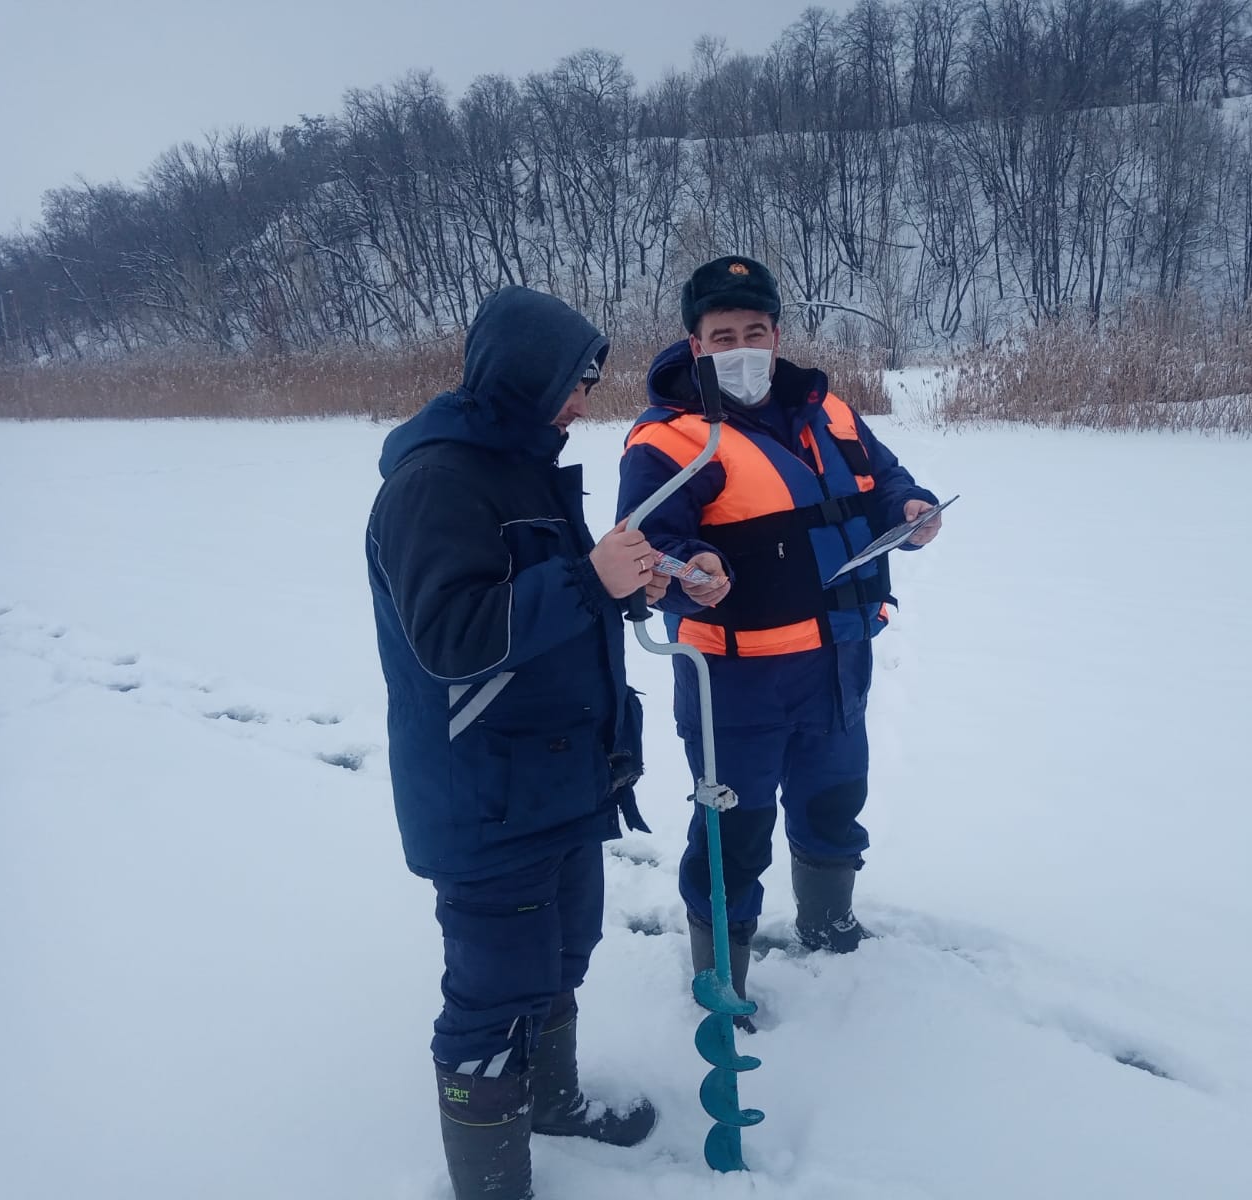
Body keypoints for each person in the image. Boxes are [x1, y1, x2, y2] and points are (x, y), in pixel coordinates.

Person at [367, 286, 664, 1200]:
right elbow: (452, 640)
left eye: (589, 380)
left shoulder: (526, 463)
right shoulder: (437, 482)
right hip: (485, 795)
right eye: (574, 380)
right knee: (492, 997)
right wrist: (587, 578)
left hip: (561, 778)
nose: (583, 399)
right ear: (522, 375)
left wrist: (631, 585)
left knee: (563, 954)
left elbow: (560, 606)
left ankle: (552, 1102)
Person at [616, 256, 943, 1027]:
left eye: (753, 331)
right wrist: (693, 564)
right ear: (694, 346)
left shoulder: (829, 414)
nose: (740, 345)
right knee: (735, 829)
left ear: (776, 333)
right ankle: (720, 978)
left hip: (839, 662)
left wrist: (915, 509)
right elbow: (648, 541)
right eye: (721, 334)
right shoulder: (667, 439)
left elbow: (887, 481)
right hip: (735, 682)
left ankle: (830, 925)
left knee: (835, 801)